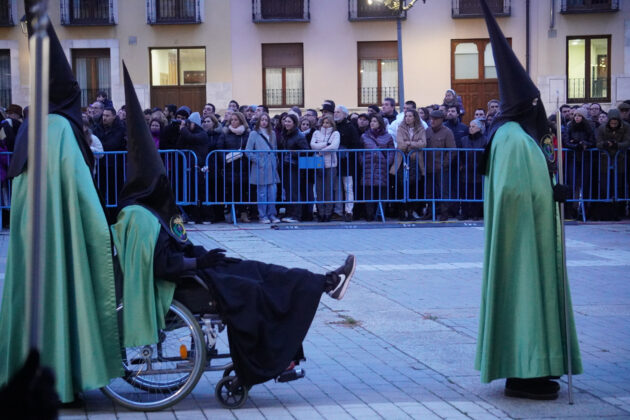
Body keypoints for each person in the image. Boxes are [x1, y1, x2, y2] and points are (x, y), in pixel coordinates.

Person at [113, 63, 357, 389]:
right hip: (187, 283)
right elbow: (160, 264)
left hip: (197, 272)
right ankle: (279, 350)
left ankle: (325, 282)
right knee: (256, 289)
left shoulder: (148, 209)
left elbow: (173, 248)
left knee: (262, 269)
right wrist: (200, 261)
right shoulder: (140, 216)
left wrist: (200, 256)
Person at [0, 15, 121, 404]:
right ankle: (63, 383)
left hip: (30, 241)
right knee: (62, 296)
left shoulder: (32, 127)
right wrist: (107, 233)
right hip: (60, 240)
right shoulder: (62, 130)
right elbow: (84, 200)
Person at [475, 0, 582, 400]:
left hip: (526, 236)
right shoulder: (513, 138)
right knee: (524, 299)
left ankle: (533, 368)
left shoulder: (512, 135)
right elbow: (513, 191)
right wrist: (549, 193)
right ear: (526, 107)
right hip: (522, 241)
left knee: (529, 298)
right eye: (535, 104)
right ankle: (524, 371)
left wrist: (550, 188)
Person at [594, 108, 630, 220]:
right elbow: (598, 143)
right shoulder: (602, 128)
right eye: (612, 122)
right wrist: (605, 144)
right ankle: (606, 212)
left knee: (619, 187)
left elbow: (627, 142)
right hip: (605, 162)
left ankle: (619, 211)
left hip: (620, 161)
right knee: (605, 187)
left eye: (615, 123)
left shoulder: (626, 127)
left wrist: (616, 145)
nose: (613, 124)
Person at [391, 109, 426, 220]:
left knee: (413, 186)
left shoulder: (421, 129)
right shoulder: (400, 128)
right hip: (402, 160)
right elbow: (400, 144)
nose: (408, 118)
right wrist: (413, 145)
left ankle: (411, 211)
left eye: (410, 116)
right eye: (406, 116)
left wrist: (409, 143)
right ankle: (402, 211)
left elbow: (423, 143)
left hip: (415, 160)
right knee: (401, 185)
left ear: (415, 117)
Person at [246, 113, 281, 224]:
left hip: (271, 166)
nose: (264, 122)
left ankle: (272, 214)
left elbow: (274, 149)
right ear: (259, 121)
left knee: (272, 192)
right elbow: (248, 151)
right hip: (260, 166)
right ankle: (262, 215)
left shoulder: (272, 134)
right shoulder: (253, 134)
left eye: (266, 120)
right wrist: (259, 161)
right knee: (262, 193)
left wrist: (275, 161)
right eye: (262, 120)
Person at [422, 110, 456, 221]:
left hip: (441, 168)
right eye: (431, 119)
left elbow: (452, 151)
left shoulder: (447, 132)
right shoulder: (427, 131)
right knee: (429, 192)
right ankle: (431, 212)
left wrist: (443, 164)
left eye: (435, 119)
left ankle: (444, 213)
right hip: (429, 167)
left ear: (441, 120)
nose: (432, 121)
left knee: (443, 192)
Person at [218, 111, 251, 223]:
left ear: (241, 120)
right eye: (231, 120)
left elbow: (250, 148)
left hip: (243, 167)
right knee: (230, 192)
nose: (233, 121)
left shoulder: (247, 134)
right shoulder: (225, 133)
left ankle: (243, 213)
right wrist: (225, 160)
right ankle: (231, 213)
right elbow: (220, 149)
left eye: (236, 119)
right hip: (230, 167)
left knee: (243, 192)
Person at [360, 114, 394, 221]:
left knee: (382, 192)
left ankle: (380, 214)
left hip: (381, 167)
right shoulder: (364, 136)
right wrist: (363, 161)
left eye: (374, 121)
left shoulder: (388, 136)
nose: (372, 123)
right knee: (368, 192)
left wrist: (387, 162)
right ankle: (369, 215)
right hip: (368, 167)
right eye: (371, 121)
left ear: (380, 123)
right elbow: (360, 152)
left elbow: (391, 151)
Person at [278, 113, 309, 223]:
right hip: (286, 165)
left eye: (289, 121)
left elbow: (306, 151)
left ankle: (296, 215)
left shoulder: (299, 135)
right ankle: (289, 213)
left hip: (294, 166)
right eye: (285, 121)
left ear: (294, 123)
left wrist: (292, 153)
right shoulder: (285, 134)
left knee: (294, 191)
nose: (286, 123)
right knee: (288, 191)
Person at [333, 105, 362, 222]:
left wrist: (346, 151)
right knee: (337, 188)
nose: (335, 114)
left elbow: (356, 144)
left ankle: (349, 211)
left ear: (345, 114)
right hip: (335, 162)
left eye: (338, 112)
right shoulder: (333, 126)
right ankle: (338, 211)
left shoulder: (350, 127)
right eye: (335, 112)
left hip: (348, 162)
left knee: (348, 187)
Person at [310, 115, 340, 222]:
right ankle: (320, 212)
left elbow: (334, 146)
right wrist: (326, 144)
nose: (325, 125)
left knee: (329, 190)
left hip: (331, 164)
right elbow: (313, 145)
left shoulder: (335, 133)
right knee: (319, 189)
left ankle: (328, 213)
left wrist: (321, 151)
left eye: (328, 123)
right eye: (324, 122)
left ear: (332, 124)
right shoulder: (316, 133)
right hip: (318, 163)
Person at [459, 118, 487, 220]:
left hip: (478, 171)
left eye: (473, 126)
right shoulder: (464, 139)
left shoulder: (485, 140)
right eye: (470, 126)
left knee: (477, 192)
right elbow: (460, 155)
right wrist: (461, 166)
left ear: (479, 128)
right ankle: (465, 213)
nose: (471, 128)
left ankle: (476, 213)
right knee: (465, 192)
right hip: (466, 170)